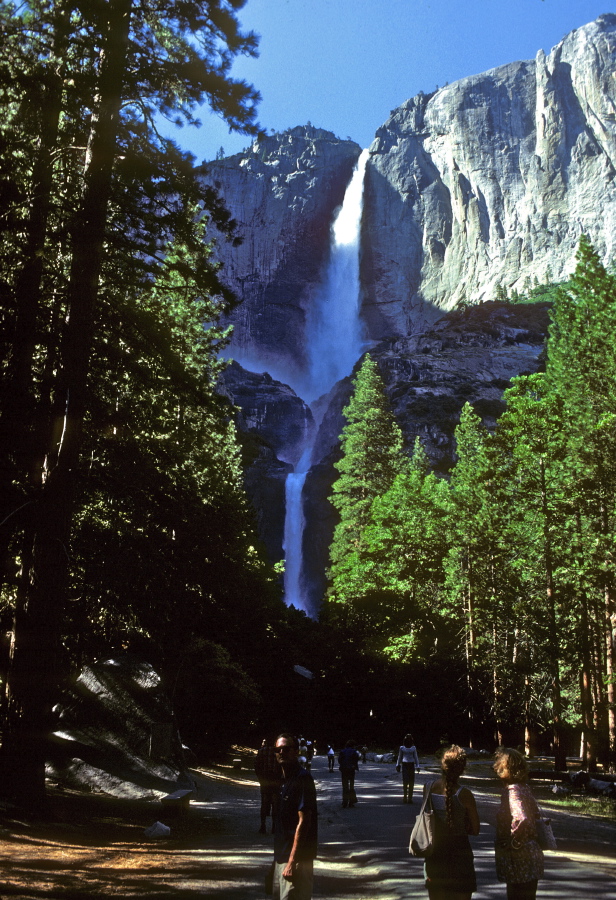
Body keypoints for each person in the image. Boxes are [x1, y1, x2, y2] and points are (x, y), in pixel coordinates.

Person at [422, 744, 480, 900]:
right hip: (460, 854)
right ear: (462, 768)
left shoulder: (427, 788)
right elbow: (475, 829)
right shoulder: (465, 794)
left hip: (435, 853)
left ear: (442, 764)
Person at [493, 747, 544, 900]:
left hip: (519, 856)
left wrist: (512, 841)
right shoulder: (524, 788)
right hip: (531, 851)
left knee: (517, 895)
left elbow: (521, 818)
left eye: (499, 765)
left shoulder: (513, 791)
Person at [272, 732, 318, 900]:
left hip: (298, 859)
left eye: (286, 748)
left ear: (296, 751)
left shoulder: (302, 778)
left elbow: (304, 821)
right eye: (278, 749)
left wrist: (292, 862)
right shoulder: (282, 779)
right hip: (282, 857)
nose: (281, 752)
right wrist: (277, 861)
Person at [255, 737, 283, 834]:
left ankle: (263, 826)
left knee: (264, 803)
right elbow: (282, 767)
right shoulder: (278, 752)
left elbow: (257, 766)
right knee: (275, 804)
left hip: (265, 780)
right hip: (275, 781)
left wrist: (260, 779)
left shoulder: (261, 751)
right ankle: (274, 827)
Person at [396, 733, 420, 803]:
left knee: (411, 782)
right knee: (405, 781)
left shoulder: (413, 748)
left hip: (411, 765)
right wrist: (397, 764)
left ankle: (410, 797)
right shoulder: (402, 748)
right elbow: (400, 757)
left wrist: (418, 766)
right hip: (405, 765)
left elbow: (416, 757)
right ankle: (405, 797)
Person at [338, 739, 360, 808]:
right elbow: (356, 759)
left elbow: (339, 760)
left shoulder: (342, 751)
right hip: (351, 769)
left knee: (345, 786)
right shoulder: (354, 751)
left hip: (344, 769)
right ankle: (351, 801)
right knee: (351, 785)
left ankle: (345, 802)